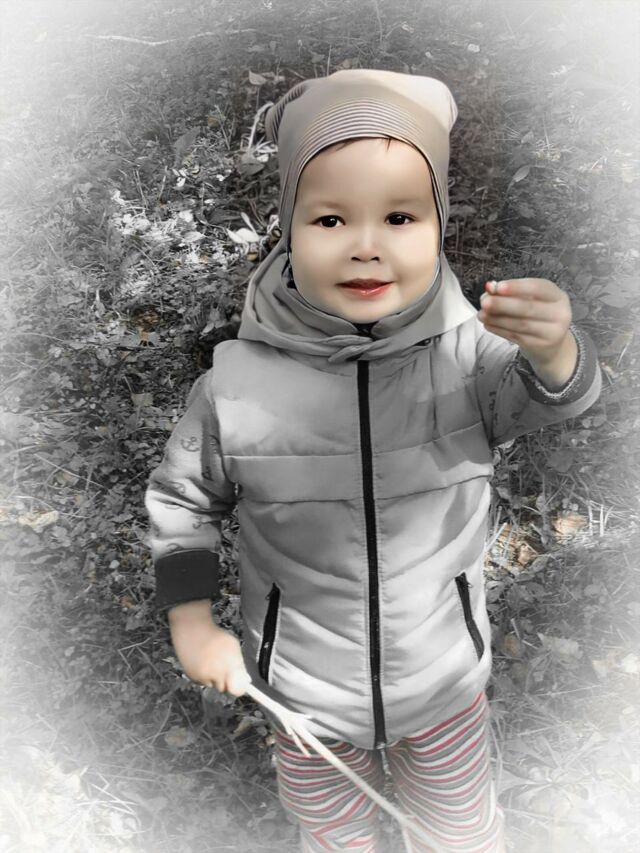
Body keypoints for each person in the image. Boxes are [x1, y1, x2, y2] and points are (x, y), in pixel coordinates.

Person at [144, 69, 601, 852]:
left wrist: (555, 349)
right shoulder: (236, 386)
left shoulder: (469, 359)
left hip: (442, 680)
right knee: (334, 832)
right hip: (303, 693)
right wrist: (190, 619)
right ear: (288, 227)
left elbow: (549, 396)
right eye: (329, 217)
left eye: (399, 215)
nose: (365, 244)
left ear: (438, 225)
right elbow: (182, 502)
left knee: (459, 828)